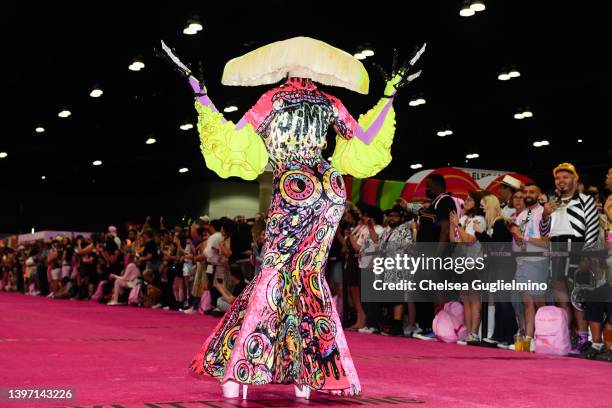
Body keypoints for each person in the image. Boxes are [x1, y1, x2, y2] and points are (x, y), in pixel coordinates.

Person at [162, 36, 425, 398]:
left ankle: (241, 369)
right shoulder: (331, 102)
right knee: (307, 277)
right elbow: (366, 139)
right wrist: (389, 95)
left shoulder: (273, 99)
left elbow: (235, 141)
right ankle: (309, 373)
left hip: (294, 185)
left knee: (273, 274)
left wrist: (201, 96)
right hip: (330, 188)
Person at [540, 162, 599, 352]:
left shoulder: (585, 199)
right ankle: (566, 337)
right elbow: (544, 231)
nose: (561, 181)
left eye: (565, 177)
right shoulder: (552, 202)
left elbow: (592, 227)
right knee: (561, 298)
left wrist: (587, 254)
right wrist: (545, 215)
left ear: (575, 179)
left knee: (577, 297)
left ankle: (583, 338)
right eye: (558, 178)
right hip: (556, 248)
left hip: (577, 248)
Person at [475, 194, 518, 348]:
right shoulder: (494, 223)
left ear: (490, 205)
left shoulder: (500, 223)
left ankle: (511, 334)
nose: (482, 208)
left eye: (483, 205)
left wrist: (481, 234)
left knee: (503, 301)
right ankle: (500, 335)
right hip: (497, 266)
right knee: (500, 301)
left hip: (504, 266)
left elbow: (495, 247)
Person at [509, 183, 549, 350]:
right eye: (526, 191)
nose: (528, 194)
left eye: (532, 191)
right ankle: (528, 339)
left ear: (539, 194)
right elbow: (519, 241)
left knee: (539, 301)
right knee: (526, 302)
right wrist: (517, 239)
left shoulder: (544, 213)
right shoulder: (522, 215)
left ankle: (547, 334)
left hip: (537, 261)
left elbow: (546, 243)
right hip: (522, 262)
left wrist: (522, 237)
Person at [450, 190, 487, 344]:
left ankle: (474, 332)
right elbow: (453, 239)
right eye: (466, 199)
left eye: (470, 199)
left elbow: (469, 240)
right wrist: (454, 225)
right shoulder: (464, 218)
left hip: (475, 261)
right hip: (462, 262)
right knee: (465, 297)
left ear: (477, 203)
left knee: (474, 297)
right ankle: (468, 331)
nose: (466, 201)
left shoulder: (479, 219)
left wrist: (457, 225)